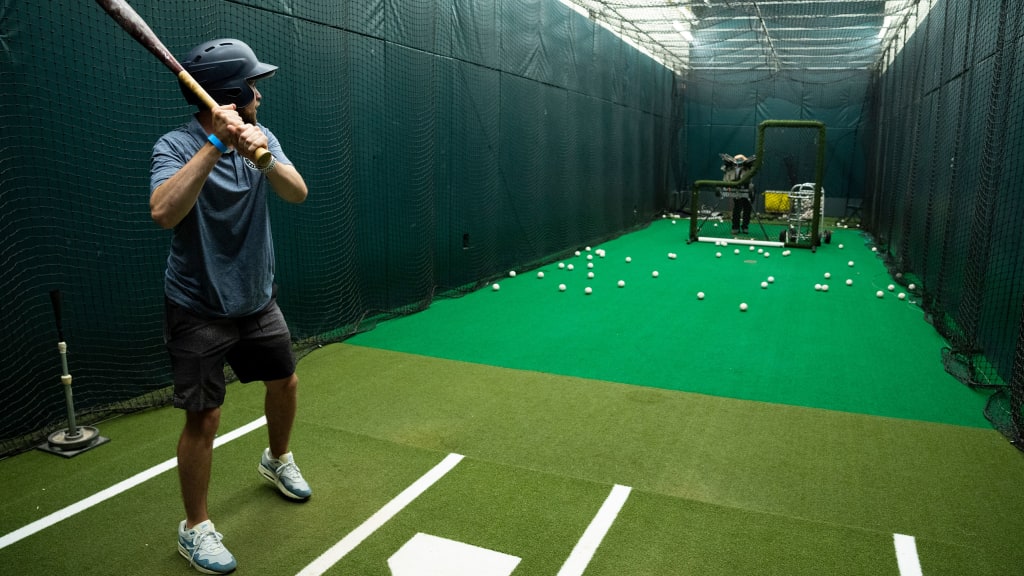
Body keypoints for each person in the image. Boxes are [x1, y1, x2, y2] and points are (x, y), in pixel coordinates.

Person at [150, 38, 310, 575]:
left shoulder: (263, 136)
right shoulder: (174, 145)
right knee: (205, 417)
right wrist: (214, 146)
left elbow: (297, 193)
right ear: (233, 94)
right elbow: (163, 213)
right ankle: (194, 528)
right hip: (197, 304)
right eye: (254, 85)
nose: (260, 93)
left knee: (284, 380)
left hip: (256, 298)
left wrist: (258, 153)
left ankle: (277, 458)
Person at [721, 153, 756, 235]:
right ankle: (735, 227)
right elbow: (726, 178)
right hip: (736, 190)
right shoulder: (730, 168)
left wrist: (744, 158)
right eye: (737, 159)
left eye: (740, 159)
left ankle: (745, 227)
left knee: (747, 209)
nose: (738, 161)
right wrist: (728, 186)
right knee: (737, 209)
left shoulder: (748, 167)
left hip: (747, 189)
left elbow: (753, 169)